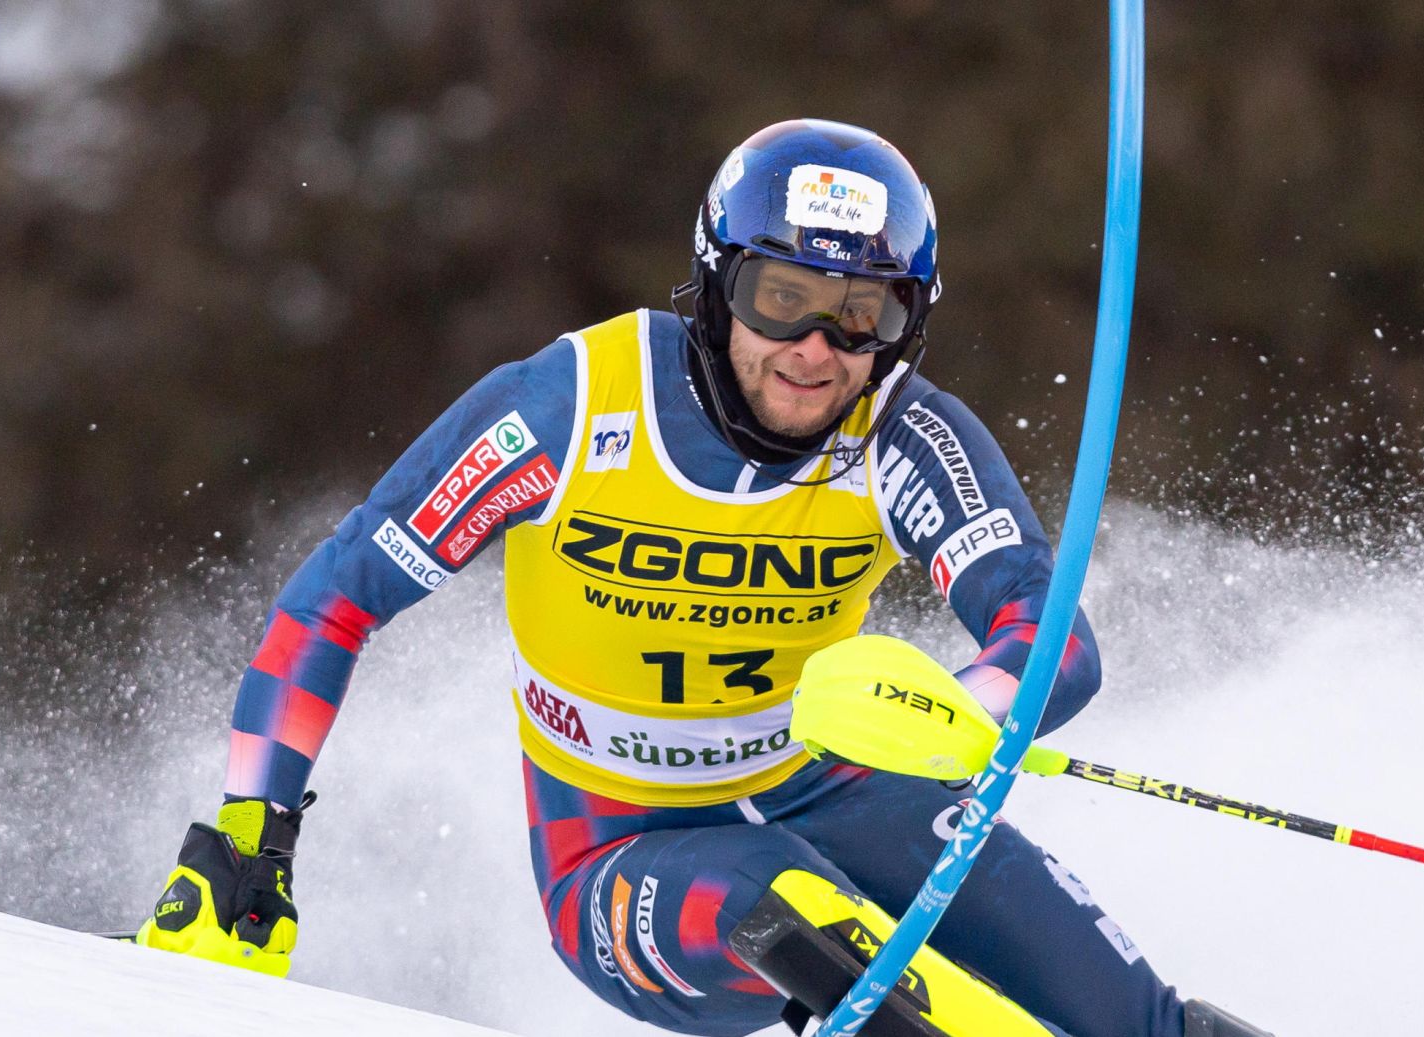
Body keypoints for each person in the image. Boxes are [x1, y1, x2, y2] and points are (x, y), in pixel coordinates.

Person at [137, 119, 1269, 1037]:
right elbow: (338, 595)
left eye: (862, 314)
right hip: (622, 851)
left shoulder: (901, 436)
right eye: (784, 298)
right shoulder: (571, 405)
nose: (818, 349)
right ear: (719, 283)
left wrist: (967, 706)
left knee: (1137, 1022)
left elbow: (1052, 633)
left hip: (841, 792)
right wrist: (253, 831)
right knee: (823, 944)